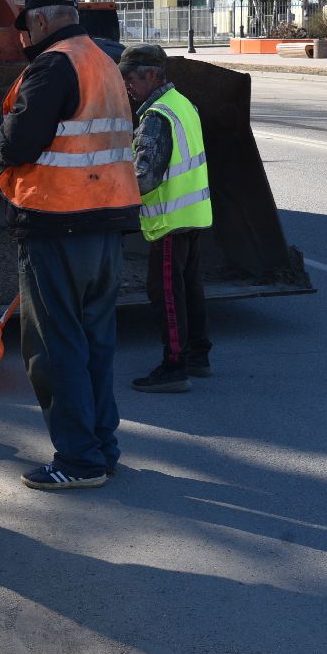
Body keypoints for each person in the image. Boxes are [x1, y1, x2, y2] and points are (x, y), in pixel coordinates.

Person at [0, 0, 139, 490]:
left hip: (58, 223)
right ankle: (101, 447)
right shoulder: (104, 62)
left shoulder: (53, 65)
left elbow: (19, 142)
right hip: (106, 225)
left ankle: (78, 460)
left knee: (55, 348)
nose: (25, 36)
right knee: (96, 342)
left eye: (26, 27)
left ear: (42, 21)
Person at [118, 44, 214, 394]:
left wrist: (110, 194)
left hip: (170, 220)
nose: (127, 84)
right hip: (191, 214)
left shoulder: (156, 116)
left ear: (152, 75)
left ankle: (175, 366)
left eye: (131, 77)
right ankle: (198, 356)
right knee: (190, 289)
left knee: (167, 294)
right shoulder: (182, 104)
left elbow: (145, 177)